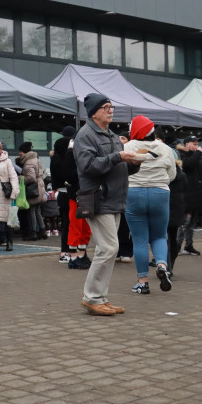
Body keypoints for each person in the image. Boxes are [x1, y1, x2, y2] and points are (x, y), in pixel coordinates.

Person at [75, 94, 140, 316]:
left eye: (111, 106)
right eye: (105, 107)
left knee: (109, 250)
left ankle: (100, 297)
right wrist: (118, 158)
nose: (111, 110)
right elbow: (88, 166)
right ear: (94, 112)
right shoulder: (85, 135)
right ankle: (92, 298)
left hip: (114, 199)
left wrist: (133, 163)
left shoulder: (111, 134)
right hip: (99, 198)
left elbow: (116, 164)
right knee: (109, 248)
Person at [121, 115, 175, 294]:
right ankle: (161, 264)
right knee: (160, 236)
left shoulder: (126, 146)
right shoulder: (165, 148)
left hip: (134, 192)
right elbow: (172, 174)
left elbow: (119, 169)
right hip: (160, 192)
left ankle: (142, 282)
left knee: (140, 240)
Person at [49, 127, 76, 263]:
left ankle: (64, 252)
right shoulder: (70, 157)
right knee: (73, 224)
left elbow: (54, 175)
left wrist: (54, 188)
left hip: (61, 193)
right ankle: (73, 251)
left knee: (65, 223)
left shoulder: (55, 158)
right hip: (72, 193)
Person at [177, 136, 202, 256]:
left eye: (197, 144)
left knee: (191, 223)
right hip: (187, 195)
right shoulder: (182, 154)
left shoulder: (196, 156)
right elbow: (188, 165)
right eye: (193, 144)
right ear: (186, 144)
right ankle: (176, 246)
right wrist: (198, 153)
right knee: (184, 223)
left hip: (196, 194)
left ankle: (188, 246)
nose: (196, 146)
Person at [18, 143, 45, 241]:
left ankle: (33, 233)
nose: (19, 153)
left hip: (33, 190)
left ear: (24, 152)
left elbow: (31, 178)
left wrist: (20, 178)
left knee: (32, 212)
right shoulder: (36, 160)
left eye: (20, 151)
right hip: (40, 188)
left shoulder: (28, 162)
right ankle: (42, 231)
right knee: (38, 212)